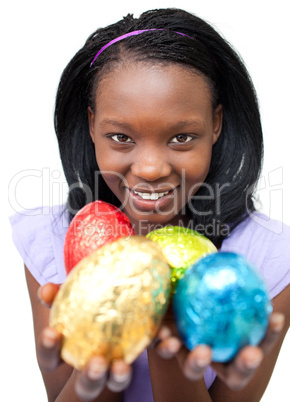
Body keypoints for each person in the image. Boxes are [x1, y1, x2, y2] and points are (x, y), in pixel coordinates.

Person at [10, 7, 290, 402]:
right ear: (93, 126)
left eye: (181, 138)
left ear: (216, 124)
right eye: (121, 137)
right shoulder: (52, 244)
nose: (151, 168)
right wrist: (107, 335)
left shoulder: (269, 260)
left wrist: (165, 337)